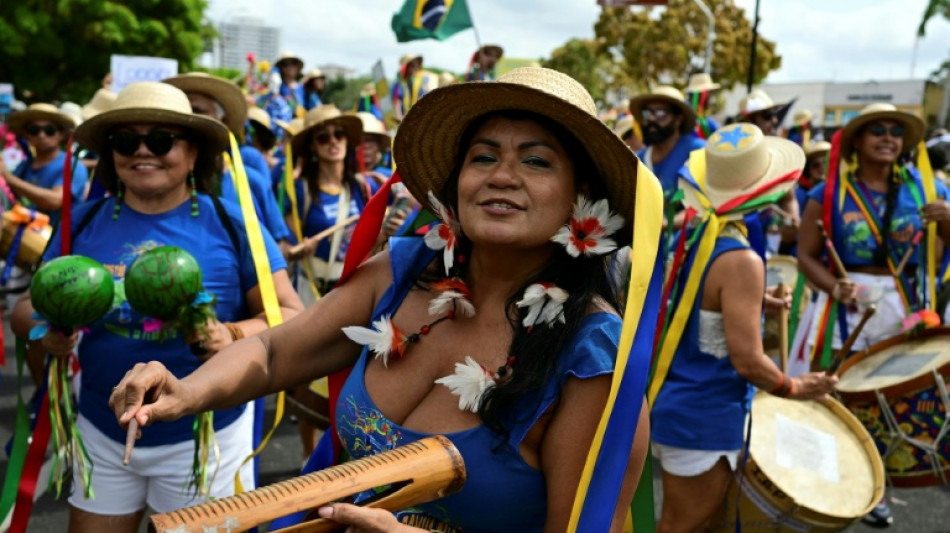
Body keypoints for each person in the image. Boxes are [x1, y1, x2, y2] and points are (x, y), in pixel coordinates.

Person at [110, 67, 654, 532]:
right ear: (458, 181)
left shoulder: (592, 358)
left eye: (536, 161)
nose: (503, 176)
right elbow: (276, 353)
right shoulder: (403, 271)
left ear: (582, 199)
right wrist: (185, 392)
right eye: (483, 157)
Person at [9, 81, 304, 533]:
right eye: (126, 141)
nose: (142, 151)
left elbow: (293, 313)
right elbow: (25, 308)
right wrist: (45, 329)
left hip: (205, 437)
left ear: (192, 153)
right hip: (100, 430)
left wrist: (234, 334)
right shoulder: (82, 220)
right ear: (111, 155)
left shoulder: (233, 222)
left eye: (161, 140)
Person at [651, 123, 838, 533]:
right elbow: (750, 362)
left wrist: (755, 304)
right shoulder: (740, 260)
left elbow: (697, 308)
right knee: (684, 526)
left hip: (678, 405)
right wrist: (795, 387)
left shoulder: (698, 235)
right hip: (704, 415)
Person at [163, 72, 292, 249]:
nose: (188, 121)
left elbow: (280, 246)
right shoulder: (152, 184)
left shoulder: (253, 182)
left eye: (198, 112)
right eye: (179, 114)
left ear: (222, 122)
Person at [1, 103, 89, 214]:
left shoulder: (72, 166)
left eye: (49, 130)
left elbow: (55, 200)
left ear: (61, 134)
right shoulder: (25, 164)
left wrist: (8, 177)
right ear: (26, 135)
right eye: (34, 130)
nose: (41, 135)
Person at [630, 86, 705, 198]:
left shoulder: (698, 152)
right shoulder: (637, 161)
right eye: (647, 113)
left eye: (661, 114)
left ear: (679, 120)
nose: (651, 119)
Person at [392, 54, 434, 123]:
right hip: (406, 121)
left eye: (417, 64)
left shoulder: (422, 81)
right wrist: (399, 117)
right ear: (406, 67)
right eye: (412, 65)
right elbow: (397, 102)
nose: (416, 67)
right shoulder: (400, 84)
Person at [683, 72, 721, 139]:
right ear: (703, 95)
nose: (710, 97)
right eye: (709, 93)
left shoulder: (702, 118)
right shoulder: (686, 116)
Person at [275, 52, 306, 117]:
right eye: (286, 65)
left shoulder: (301, 87)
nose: (290, 67)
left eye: (293, 64)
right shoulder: (277, 87)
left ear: (297, 67)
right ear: (281, 68)